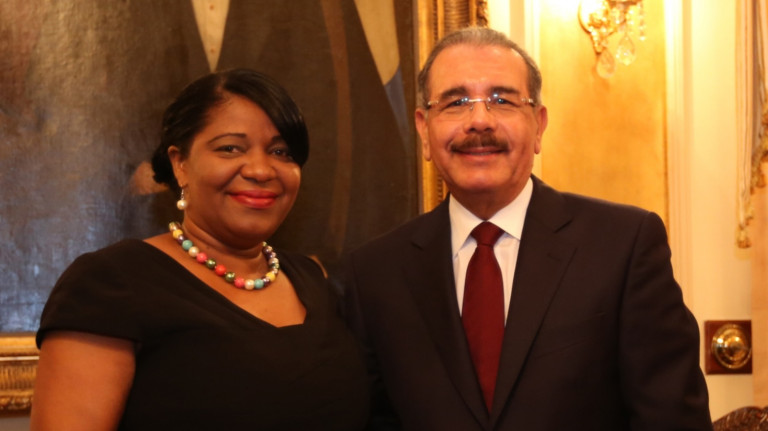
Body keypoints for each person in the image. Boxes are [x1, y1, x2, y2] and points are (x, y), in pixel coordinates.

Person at [343, 27, 713, 430]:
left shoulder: (623, 246)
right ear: (424, 130)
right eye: (455, 103)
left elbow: (673, 420)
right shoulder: (376, 274)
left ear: (538, 125)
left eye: (502, 100)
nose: (479, 121)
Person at [31, 69, 369, 430]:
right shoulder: (110, 284)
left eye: (280, 151)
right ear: (180, 164)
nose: (260, 169)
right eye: (230, 148)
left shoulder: (313, 281)